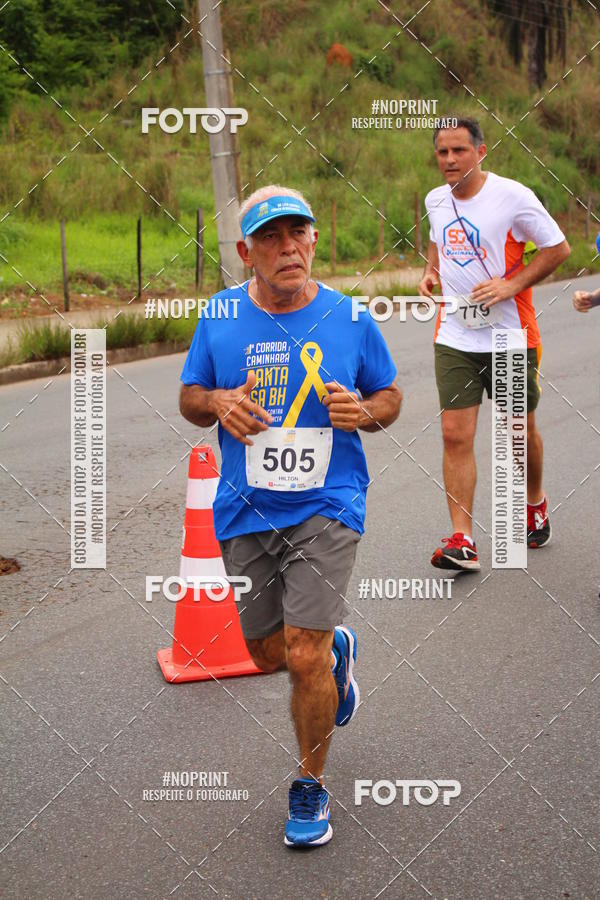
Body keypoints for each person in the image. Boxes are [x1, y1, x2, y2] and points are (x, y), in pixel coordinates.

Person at [179, 185, 402, 846]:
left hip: (327, 504)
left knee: (300, 657)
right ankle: (337, 650)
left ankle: (309, 786)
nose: (288, 247)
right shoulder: (219, 316)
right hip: (246, 508)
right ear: (247, 252)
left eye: (297, 233)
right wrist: (218, 401)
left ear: (312, 240)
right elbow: (190, 395)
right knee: (266, 651)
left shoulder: (350, 317)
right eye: (271, 238)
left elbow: (389, 395)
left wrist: (363, 412)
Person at [419, 117, 570, 570]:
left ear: (481, 152)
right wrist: (430, 271)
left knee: (516, 435)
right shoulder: (436, 199)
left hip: (509, 335)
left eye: (459, 151)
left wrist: (510, 285)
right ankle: (462, 538)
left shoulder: (512, 197)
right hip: (455, 334)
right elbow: (437, 243)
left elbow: (557, 249)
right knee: (454, 433)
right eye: (442, 152)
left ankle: (535, 502)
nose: (449, 160)